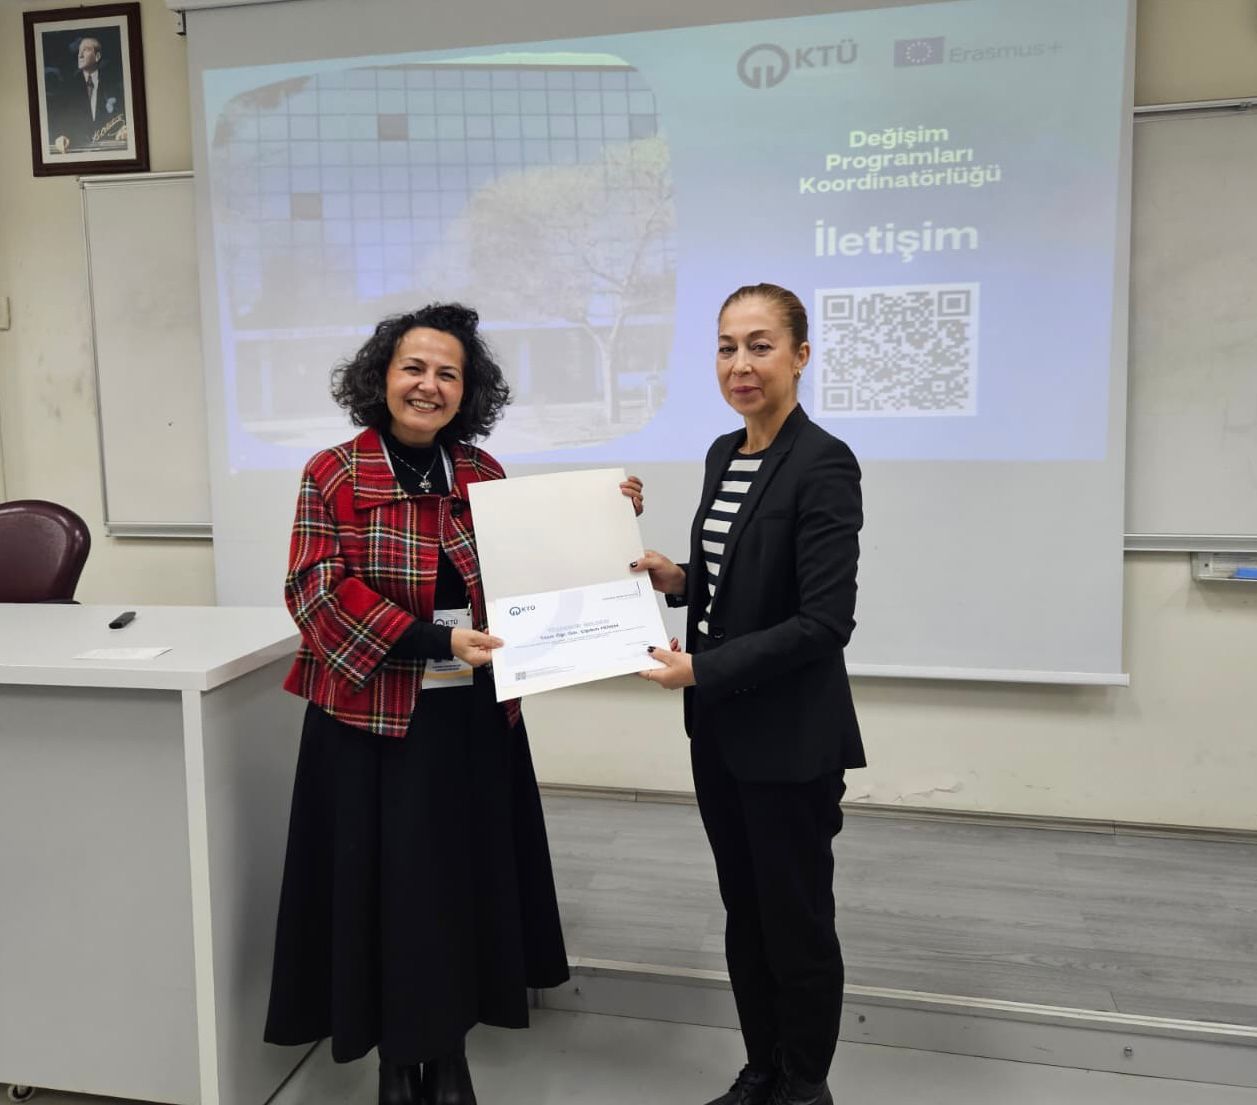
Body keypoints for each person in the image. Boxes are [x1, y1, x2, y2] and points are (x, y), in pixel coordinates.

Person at [264, 303, 643, 1105]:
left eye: (448, 373)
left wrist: (605, 520)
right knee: (387, 895)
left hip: (470, 719)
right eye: (413, 367)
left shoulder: (481, 473)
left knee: (460, 889)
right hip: (370, 721)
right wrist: (432, 640)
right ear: (381, 377)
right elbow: (314, 591)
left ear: (467, 392)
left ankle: (448, 1051)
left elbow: (531, 574)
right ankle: (395, 1060)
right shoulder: (332, 471)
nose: (428, 385)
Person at [631, 284, 864, 1105]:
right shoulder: (722, 453)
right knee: (744, 909)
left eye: (760, 345)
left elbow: (823, 621)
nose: (741, 364)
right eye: (727, 346)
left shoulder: (823, 461)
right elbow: (733, 581)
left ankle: (804, 1085)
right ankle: (761, 1066)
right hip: (721, 732)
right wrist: (677, 579)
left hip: (790, 738)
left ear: (800, 355)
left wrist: (702, 668)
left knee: (794, 919)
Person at [50, 35, 126, 153]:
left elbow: (124, 115)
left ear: (97, 56)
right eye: (79, 51)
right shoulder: (68, 87)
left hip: (110, 150)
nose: (80, 55)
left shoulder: (114, 83)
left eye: (85, 50)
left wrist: (127, 129)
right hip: (78, 150)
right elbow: (59, 119)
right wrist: (60, 135)